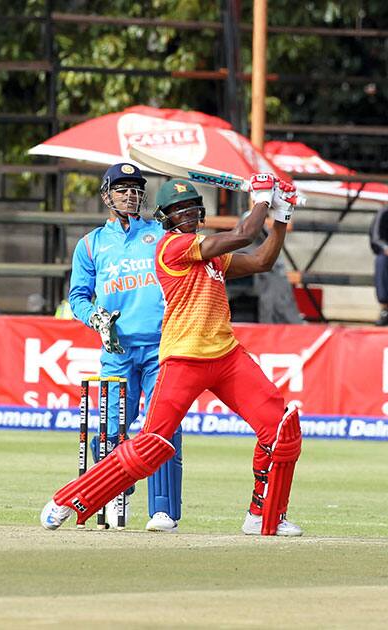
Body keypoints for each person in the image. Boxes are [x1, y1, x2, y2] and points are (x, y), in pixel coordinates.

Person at [40, 173, 303, 537]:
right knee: (153, 444)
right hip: (183, 357)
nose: (188, 215)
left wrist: (283, 216)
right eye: (179, 211)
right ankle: (69, 499)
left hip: (226, 356)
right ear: (166, 218)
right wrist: (261, 200)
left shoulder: (212, 255)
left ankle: (263, 515)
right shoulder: (170, 248)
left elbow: (260, 260)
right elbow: (242, 235)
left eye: (193, 208)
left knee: (280, 431)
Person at [66, 162, 183, 532]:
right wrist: (95, 318)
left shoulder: (161, 234)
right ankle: (117, 497)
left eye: (135, 188)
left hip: (160, 348)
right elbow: (78, 297)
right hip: (116, 350)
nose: (130, 195)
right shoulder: (91, 245)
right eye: (121, 188)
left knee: (163, 428)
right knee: (112, 429)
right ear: (106, 195)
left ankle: (163, 510)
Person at [369, 204, 388, 326]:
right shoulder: (384, 212)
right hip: (386, 255)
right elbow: (376, 238)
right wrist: (386, 247)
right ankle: (385, 309)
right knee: (381, 261)